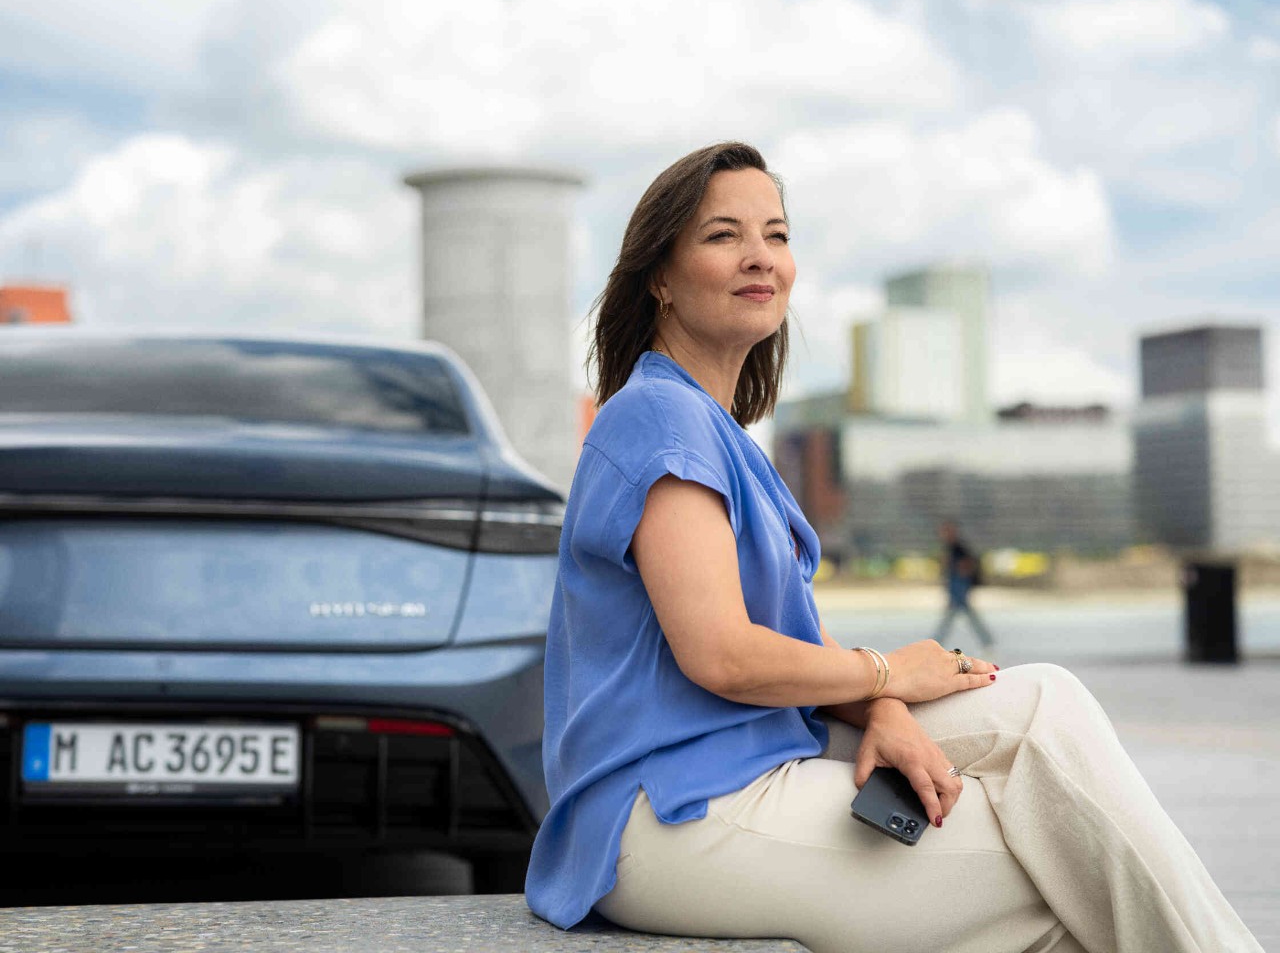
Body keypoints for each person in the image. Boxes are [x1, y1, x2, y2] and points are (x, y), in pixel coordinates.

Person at [524, 142, 1261, 953]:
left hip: (738, 762)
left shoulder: (716, 429)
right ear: (659, 276)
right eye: (723, 236)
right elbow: (723, 656)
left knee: (1046, 699)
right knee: (1064, 869)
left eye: (776, 233)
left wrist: (883, 709)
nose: (760, 257)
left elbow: (792, 645)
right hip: (665, 812)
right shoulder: (657, 417)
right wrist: (887, 675)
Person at [936, 520, 996, 650]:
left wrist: (962, 577)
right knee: (959, 617)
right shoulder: (951, 547)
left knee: (952, 617)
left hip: (959, 588)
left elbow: (967, 563)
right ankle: (987, 641)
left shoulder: (958, 547)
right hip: (956, 587)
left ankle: (936, 642)